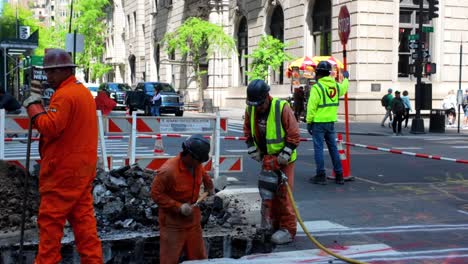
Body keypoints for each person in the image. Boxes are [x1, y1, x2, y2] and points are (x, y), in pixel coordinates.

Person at [22, 48, 103, 263]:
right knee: (84, 225)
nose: (48, 77)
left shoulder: (65, 95)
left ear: (64, 71)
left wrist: (34, 107)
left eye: (51, 73)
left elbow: (50, 127)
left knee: (50, 225)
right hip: (81, 171)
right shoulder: (82, 92)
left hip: (63, 173)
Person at [243, 79, 300, 245]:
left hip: (284, 158)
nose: (257, 108)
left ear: (267, 96)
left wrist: (285, 153)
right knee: (268, 194)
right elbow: (247, 129)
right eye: (254, 105)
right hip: (267, 158)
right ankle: (272, 225)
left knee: (284, 195)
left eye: (260, 104)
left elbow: (294, 133)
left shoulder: (281, 108)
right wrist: (252, 147)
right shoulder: (251, 109)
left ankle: (288, 230)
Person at [151, 134, 214, 264]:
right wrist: (178, 206)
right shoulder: (168, 171)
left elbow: (204, 174)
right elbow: (156, 194)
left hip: (193, 221)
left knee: (199, 259)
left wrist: (210, 187)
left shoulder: (196, 165)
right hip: (173, 223)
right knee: (170, 260)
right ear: (190, 156)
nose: (200, 164)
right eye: (199, 161)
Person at [306, 61, 349, 185]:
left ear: (318, 73)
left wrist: (309, 122)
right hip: (330, 122)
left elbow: (312, 106)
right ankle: (339, 175)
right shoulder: (335, 86)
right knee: (333, 149)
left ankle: (321, 175)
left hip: (318, 123)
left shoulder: (317, 87)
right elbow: (344, 88)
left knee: (319, 149)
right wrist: (346, 78)